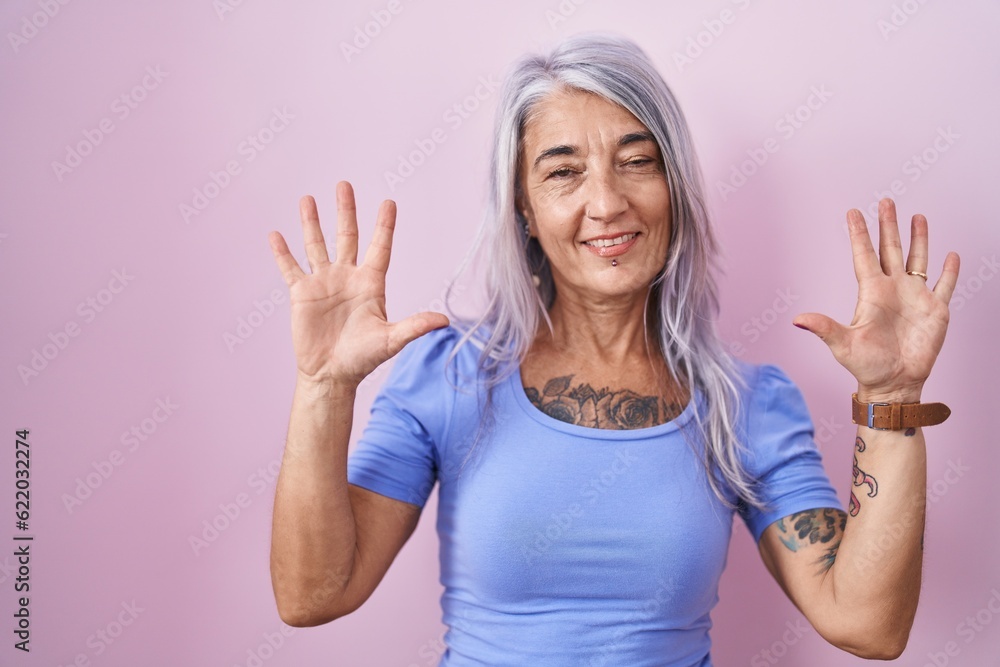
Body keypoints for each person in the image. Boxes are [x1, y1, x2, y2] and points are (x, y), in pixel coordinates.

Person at [266, 33, 961, 666]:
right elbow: (313, 594)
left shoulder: (747, 404)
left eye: (637, 161)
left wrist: (892, 399)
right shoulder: (448, 374)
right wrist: (324, 387)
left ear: (675, 190)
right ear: (525, 211)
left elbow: (868, 623)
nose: (606, 202)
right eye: (563, 172)